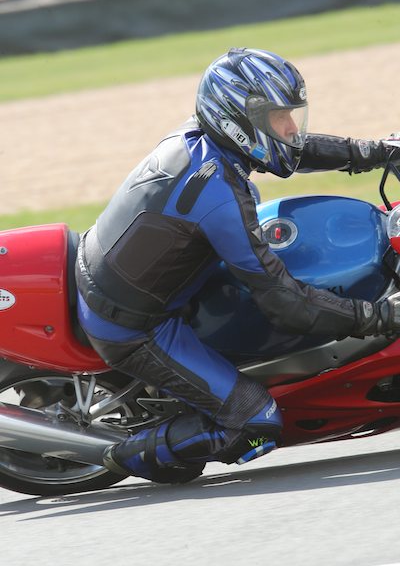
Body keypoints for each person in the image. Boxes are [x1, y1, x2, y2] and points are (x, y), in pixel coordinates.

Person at [76, 47, 400, 483]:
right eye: (278, 118)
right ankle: (121, 452)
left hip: (139, 275)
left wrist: (378, 151)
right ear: (238, 120)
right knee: (257, 424)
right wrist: (379, 316)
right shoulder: (219, 196)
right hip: (135, 328)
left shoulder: (204, 139)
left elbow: (292, 150)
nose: (290, 128)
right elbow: (286, 303)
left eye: (291, 115)